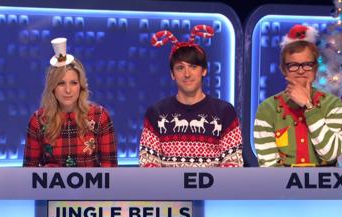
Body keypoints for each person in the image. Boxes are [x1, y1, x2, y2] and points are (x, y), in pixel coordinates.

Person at [139, 25, 244, 167]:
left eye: (193, 67)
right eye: (180, 68)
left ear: (204, 71)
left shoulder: (224, 112)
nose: (187, 74)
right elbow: (148, 164)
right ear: (172, 74)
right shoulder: (156, 113)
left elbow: (234, 163)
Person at [254, 24, 342, 167]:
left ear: (315, 68)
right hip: (283, 187)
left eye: (307, 64)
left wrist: (309, 107)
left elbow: (330, 153)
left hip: (324, 186)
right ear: (284, 70)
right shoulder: (267, 109)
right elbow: (268, 167)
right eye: (293, 65)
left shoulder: (333, 104)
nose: (301, 71)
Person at [23, 37, 117, 167]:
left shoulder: (100, 116)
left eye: (73, 83)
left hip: (92, 187)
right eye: (61, 83)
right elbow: (29, 173)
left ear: (81, 86)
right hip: (50, 187)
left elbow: (110, 170)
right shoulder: (38, 121)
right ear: (53, 87)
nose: (68, 90)